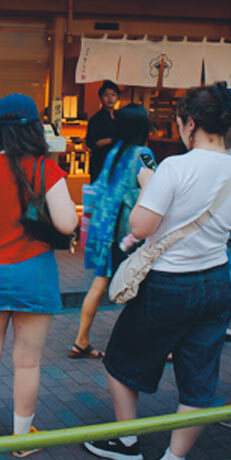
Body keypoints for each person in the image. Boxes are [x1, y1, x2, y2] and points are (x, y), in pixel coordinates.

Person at [83, 84, 231, 460]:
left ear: (190, 123)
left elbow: (140, 226)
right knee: (200, 380)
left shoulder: (175, 168)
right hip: (217, 282)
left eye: (179, 122)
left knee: (121, 360)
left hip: (168, 282)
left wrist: (147, 189)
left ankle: (127, 441)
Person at [0, 94, 79, 455]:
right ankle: (23, 438)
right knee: (27, 363)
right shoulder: (46, 169)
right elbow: (67, 223)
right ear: (34, 129)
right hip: (34, 274)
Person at [70, 104, 154, 359]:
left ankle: (81, 341)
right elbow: (155, 187)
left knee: (99, 284)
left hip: (106, 231)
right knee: (145, 288)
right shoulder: (142, 154)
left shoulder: (114, 151)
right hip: (129, 234)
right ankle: (149, 347)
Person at [85, 81, 121, 182]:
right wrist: (112, 140)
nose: (110, 98)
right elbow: (91, 143)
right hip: (100, 164)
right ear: (100, 98)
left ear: (117, 98)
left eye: (113, 95)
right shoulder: (95, 119)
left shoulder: (121, 117)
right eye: (106, 95)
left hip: (118, 164)